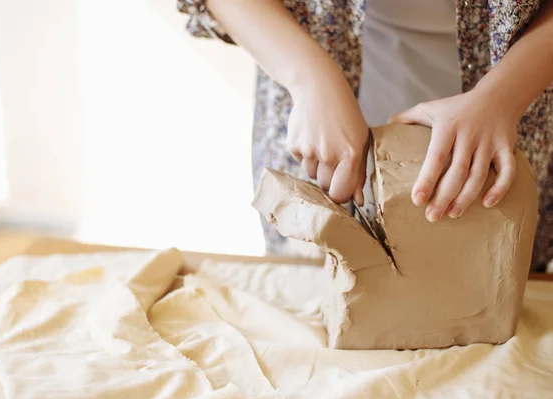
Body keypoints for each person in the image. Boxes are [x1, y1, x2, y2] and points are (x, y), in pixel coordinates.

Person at [177, 0, 553, 271]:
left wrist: (503, 97)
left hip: (514, 101)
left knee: (492, 275)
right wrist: (309, 78)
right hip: (319, 99)